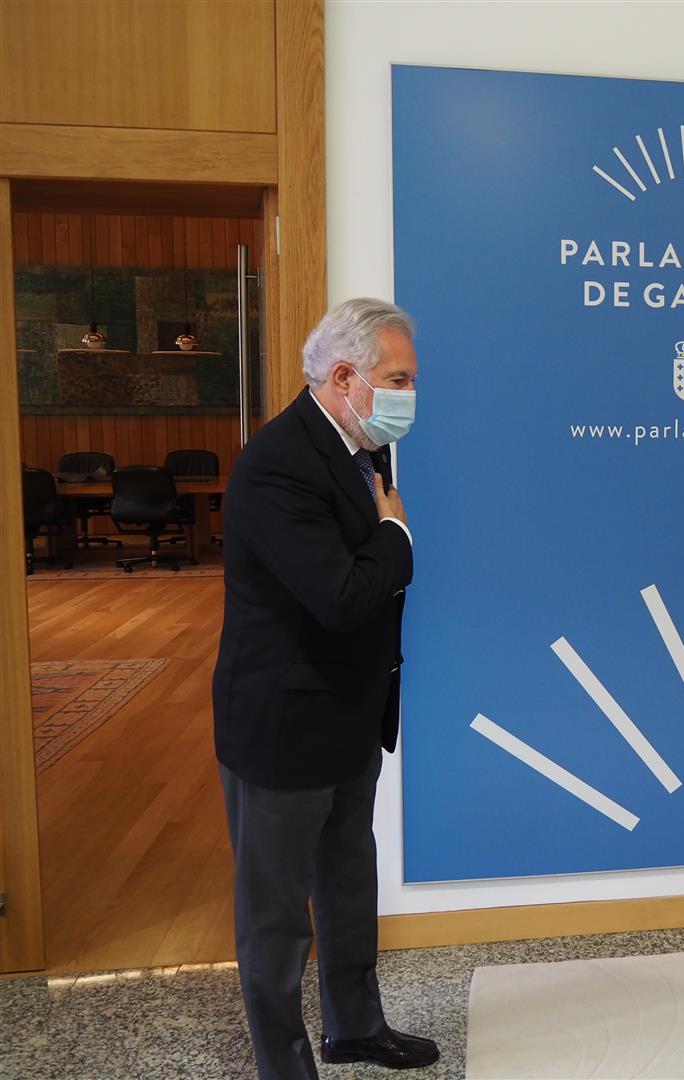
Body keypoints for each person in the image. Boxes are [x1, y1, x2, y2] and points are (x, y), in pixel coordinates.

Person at [212, 298, 438, 1078]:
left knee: (347, 883)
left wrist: (383, 537)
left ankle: (355, 1028)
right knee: (275, 922)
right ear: (345, 376)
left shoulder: (361, 444)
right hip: (282, 726)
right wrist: (397, 536)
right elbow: (342, 594)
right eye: (398, 378)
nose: (411, 394)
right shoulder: (279, 463)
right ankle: (286, 1066)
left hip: (347, 715)